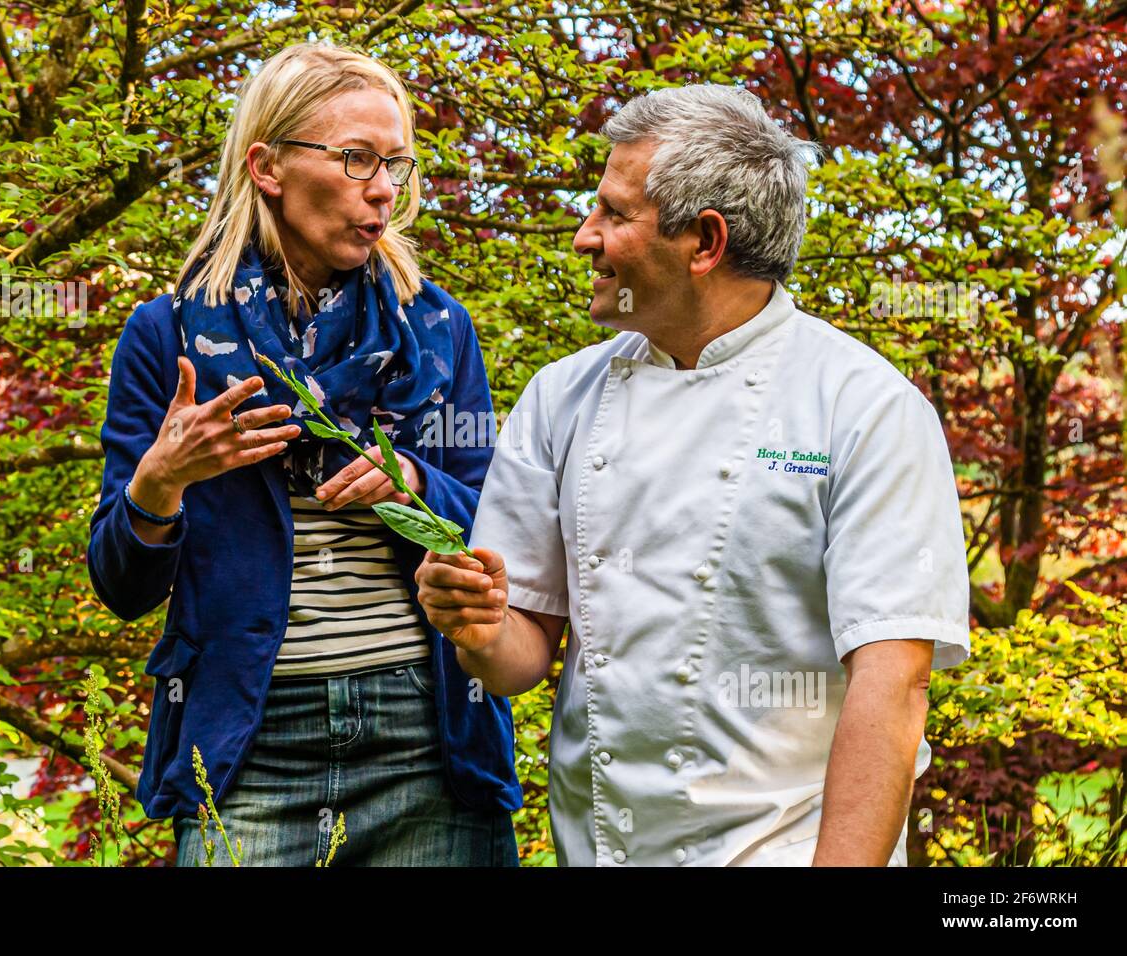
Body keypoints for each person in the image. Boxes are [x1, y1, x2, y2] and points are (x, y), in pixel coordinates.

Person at [415, 84, 972, 866]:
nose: (585, 237)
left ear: (704, 243)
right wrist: (476, 628)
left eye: (613, 213)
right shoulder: (559, 397)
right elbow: (524, 652)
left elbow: (894, 685)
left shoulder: (866, 408)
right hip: (599, 848)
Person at [87, 42, 520, 866]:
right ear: (268, 167)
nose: (385, 188)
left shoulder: (436, 326)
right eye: (357, 158)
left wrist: (414, 480)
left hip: (427, 732)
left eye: (395, 162)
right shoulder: (167, 335)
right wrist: (162, 479)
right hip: (246, 743)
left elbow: (499, 532)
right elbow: (122, 587)